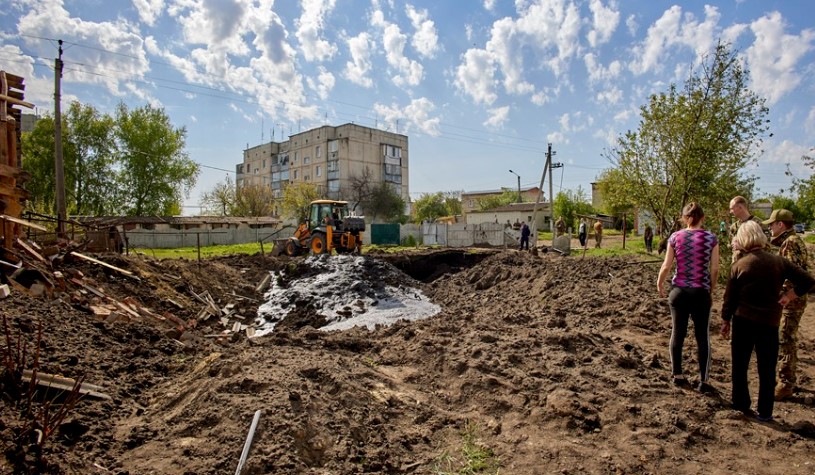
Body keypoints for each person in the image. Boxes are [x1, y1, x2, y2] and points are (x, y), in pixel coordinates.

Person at [720, 220, 815, 421]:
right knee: (766, 368)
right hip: (770, 322)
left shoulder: (739, 265)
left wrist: (725, 320)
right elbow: (808, 280)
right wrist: (790, 295)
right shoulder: (778, 262)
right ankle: (765, 411)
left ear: (743, 239)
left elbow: (730, 298)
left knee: (740, 365)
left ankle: (741, 404)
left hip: (743, 321)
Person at [657, 202, 720, 392]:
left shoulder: (675, 237)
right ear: (703, 218)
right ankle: (704, 381)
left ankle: (677, 375)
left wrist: (660, 283)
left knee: (678, 333)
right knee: (703, 336)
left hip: (679, 292)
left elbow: (667, 265)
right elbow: (715, 268)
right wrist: (711, 288)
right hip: (701, 292)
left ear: (684, 218)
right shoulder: (711, 238)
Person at [763, 209, 810, 400]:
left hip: (792, 301)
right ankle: (785, 379)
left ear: (781, 224)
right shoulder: (792, 241)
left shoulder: (790, 244)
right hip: (794, 299)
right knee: (786, 337)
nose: (770, 228)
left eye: (772, 224)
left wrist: (787, 295)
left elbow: (794, 273)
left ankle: (785, 383)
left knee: (786, 339)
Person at [728, 196, 767, 262]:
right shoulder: (734, 227)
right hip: (737, 266)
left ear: (740, 207)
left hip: (755, 264)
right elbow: (730, 246)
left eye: (732, 208)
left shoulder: (759, 224)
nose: (730, 212)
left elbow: (766, 247)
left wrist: (743, 247)